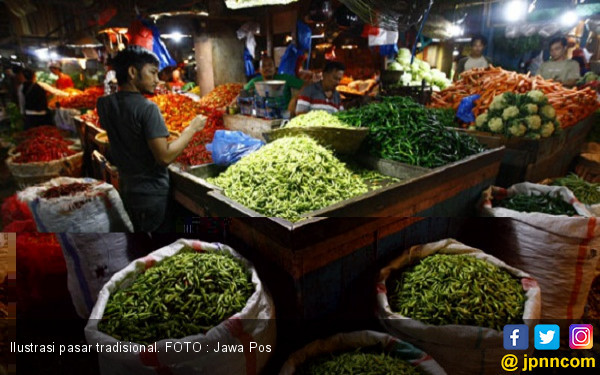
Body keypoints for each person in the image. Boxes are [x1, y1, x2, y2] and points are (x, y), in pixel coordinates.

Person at [96, 46, 207, 232]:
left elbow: (126, 135)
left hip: (127, 188)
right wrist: (192, 128)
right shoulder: (147, 109)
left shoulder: (104, 104)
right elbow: (164, 157)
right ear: (132, 72)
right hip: (151, 194)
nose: (158, 80)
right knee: (158, 244)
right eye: (153, 73)